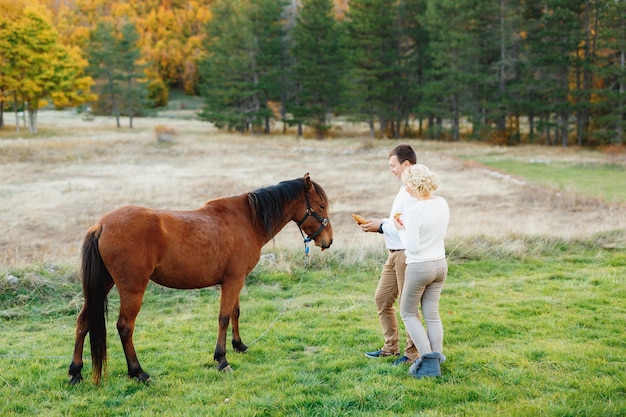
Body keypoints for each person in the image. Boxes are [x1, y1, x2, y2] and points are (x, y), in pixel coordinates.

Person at [360, 144, 420, 366]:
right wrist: (381, 223)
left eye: (393, 165)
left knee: (408, 305)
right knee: (382, 299)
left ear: (406, 164)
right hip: (393, 254)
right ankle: (390, 348)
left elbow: (408, 225)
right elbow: (398, 220)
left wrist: (381, 226)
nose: (391, 170)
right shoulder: (404, 187)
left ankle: (412, 354)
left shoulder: (414, 189)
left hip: (405, 254)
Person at [393, 164, 449, 378]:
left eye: (406, 183)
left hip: (420, 266)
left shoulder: (414, 210)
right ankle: (437, 355)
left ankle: (427, 361)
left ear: (413, 185)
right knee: (432, 314)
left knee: (407, 311)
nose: (405, 188)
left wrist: (401, 229)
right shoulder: (442, 202)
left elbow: (413, 247)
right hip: (440, 264)